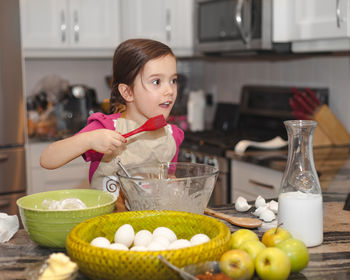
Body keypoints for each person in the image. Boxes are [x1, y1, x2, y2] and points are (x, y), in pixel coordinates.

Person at [40, 39, 184, 209]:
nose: (169, 90)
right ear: (128, 92)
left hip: (149, 226)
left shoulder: (171, 136)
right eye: (156, 82)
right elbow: (47, 160)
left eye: (173, 80)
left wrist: (174, 188)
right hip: (105, 227)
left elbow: (169, 177)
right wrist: (88, 140)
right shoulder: (105, 128)